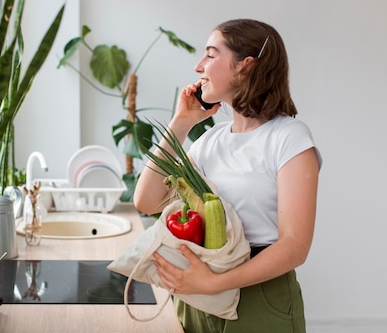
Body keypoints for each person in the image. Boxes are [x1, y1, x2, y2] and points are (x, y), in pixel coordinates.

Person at [133, 19, 322, 332]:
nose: (198, 66)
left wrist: (214, 282)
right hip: (196, 296)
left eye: (210, 55)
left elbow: (295, 246)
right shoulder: (211, 140)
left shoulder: (289, 137)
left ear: (244, 67)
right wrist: (181, 122)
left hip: (258, 300)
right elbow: (147, 200)